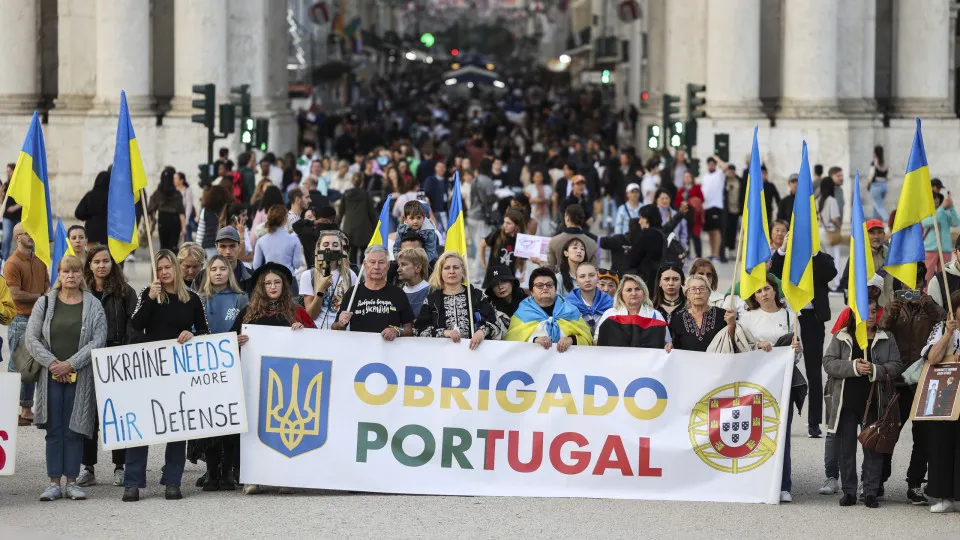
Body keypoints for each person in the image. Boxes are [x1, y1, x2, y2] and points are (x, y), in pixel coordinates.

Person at [123, 250, 210, 502]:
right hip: (151, 371)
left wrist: (192, 335)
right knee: (142, 427)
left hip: (179, 372)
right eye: (159, 268)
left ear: (176, 268)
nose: (164, 272)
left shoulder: (193, 299)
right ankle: (133, 481)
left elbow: (205, 331)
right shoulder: (147, 295)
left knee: (176, 428)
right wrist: (150, 298)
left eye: (167, 267)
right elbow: (136, 325)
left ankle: (173, 480)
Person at [26, 255, 107, 502]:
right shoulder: (45, 303)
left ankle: (72, 481)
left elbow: (98, 339)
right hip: (50, 376)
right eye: (65, 272)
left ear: (82, 275)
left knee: (75, 429)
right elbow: (32, 338)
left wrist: (70, 364)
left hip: (79, 377)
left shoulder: (93, 304)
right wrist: (53, 364)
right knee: (54, 428)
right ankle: (53, 482)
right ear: (58, 275)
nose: (70, 276)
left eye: (75, 272)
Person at [230, 262, 314, 495]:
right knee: (254, 429)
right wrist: (235, 341)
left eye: (277, 282)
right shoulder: (249, 311)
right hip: (255, 381)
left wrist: (303, 331)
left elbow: (318, 343)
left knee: (282, 428)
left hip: (286, 381)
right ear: (261, 286)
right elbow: (228, 340)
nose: (273, 286)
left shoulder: (296, 311)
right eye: (268, 283)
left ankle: (285, 475)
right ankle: (252, 476)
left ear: (284, 285)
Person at [823, 296, 902, 509]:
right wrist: (854, 367)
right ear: (855, 314)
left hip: (875, 402)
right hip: (846, 402)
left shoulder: (886, 337)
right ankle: (848, 491)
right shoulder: (842, 336)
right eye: (865, 312)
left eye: (873, 311)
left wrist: (875, 370)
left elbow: (896, 365)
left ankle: (870, 492)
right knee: (845, 449)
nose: (870, 317)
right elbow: (828, 363)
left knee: (873, 448)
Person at [878, 264, 943, 504]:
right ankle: (879, 479)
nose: (912, 289)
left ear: (923, 285)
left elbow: (947, 325)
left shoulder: (931, 307)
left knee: (923, 436)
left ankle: (915, 483)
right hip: (897, 380)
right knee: (889, 431)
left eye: (916, 284)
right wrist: (890, 313)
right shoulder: (892, 307)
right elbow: (881, 337)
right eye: (907, 284)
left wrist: (930, 306)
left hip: (924, 379)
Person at [737, 274, 802, 502]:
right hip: (755, 383)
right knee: (753, 431)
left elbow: (797, 355)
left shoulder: (789, 315)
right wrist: (757, 346)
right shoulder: (747, 317)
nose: (763, 294)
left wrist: (796, 349)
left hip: (782, 382)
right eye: (758, 291)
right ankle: (753, 480)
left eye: (767, 289)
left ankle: (783, 484)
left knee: (781, 432)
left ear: (775, 290)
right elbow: (741, 347)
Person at [77, 246, 137, 488]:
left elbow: (135, 320)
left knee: (117, 414)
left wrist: (125, 346)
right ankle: (88, 468)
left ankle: (119, 466)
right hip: (89, 357)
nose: (102, 265)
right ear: (89, 265)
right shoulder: (81, 292)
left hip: (115, 357)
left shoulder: (124, 291)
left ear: (113, 264)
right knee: (89, 416)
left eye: (106, 261)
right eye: (97, 261)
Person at [770, 246, 837, 438]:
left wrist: (814, 251)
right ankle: (777, 419)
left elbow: (830, 273)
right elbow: (773, 273)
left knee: (814, 372)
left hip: (811, 318)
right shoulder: (784, 257)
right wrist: (783, 249)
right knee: (780, 368)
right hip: (787, 316)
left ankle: (814, 422)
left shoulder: (820, 257)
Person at [5, 224, 50, 425]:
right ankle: (9, 410)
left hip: (39, 319)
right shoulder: (12, 263)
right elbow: (15, 295)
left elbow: (47, 284)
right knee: (17, 366)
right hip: (20, 320)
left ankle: (25, 409)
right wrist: (42, 297)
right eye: (26, 233)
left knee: (33, 366)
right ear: (16, 237)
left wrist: (46, 295)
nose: (31, 236)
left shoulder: (39, 259)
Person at [415, 252, 505, 348]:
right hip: (441, 356)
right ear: (440, 272)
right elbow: (418, 330)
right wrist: (444, 332)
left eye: (456, 267)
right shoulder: (431, 300)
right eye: (446, 268)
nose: (452, 271)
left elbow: (495, 322)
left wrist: (481, 331)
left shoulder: (477, 295)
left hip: (475, 354)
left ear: (463, 271)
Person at [922, 292, 960, 512]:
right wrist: (948, 334)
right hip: (944, 393)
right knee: (941, 443)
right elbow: (932, 358)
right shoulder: (940, 328)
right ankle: (942, 496)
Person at [333, 245, 415, 339]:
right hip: (357, 350)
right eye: (372, 262)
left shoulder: (398, 293)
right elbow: (335, 328)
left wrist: (397, 331)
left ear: (388, 265)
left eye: (381, 262)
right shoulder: (353, 292)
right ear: (364, 264)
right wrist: (340, 324)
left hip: (389, 350)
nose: (376, 267)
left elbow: (409, 329)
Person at [505, 268, 593, 351]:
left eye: (549, 285)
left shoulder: (570, 310)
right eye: (539, 286)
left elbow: (587, 338)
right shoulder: (522, 313)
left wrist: (572, 339)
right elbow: (511, 342)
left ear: (555, 289)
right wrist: (534, 340)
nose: (545, 288)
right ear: (531, 291)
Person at [299, 231, 357, 329]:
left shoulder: (351, 275)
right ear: (319, 248)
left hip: (344, 333)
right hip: (317, 332)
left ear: (341, 249)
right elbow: (311, 315)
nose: (330, 248)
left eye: (335, 245)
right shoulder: (308, 275)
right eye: (326, 244)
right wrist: (321, 290)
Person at [594, 274, 669, 349]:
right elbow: (596, 341)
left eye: (637, 289)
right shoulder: (610, 314)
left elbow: (667, 342)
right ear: (621, 294)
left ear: (644, 292)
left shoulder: (655, 315)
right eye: (629, 290)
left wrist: (668, 346)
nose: (633, 293)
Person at [666, 275, 735, 353]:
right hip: (687, 364)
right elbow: (674, 344)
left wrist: (731, 325)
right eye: (693, 289)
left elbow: (732, 343)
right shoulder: (678, 319)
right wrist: (670, 346)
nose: (698, 292)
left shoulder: (723, 315)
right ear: (687, 294)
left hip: (716, 364)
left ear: (709, 293)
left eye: (702, 288)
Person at [191, 226, 255, 294]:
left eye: (232, 246)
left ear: (239, 246)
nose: (228, 251)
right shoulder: (202, 277)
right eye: (223, 246)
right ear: (217, 247)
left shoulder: (251, 277)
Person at [624, 204, 666, 293]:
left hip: (648, 281)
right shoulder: (662, 232)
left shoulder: (647, 234)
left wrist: (630, 252)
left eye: (641, 218)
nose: (639, 222)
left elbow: (633, 259)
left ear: (646, 219)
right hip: (661, 278)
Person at [338, 172, 377, 266]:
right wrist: (376, 227)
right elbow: (371, 213)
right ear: (362, 182)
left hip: (349, 228)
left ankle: (354, 274)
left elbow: (340, 212)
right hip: (364, 229)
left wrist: (336, 226)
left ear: (352, 181)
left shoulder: (346, 194)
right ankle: (363, 275)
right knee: (365, 254)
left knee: (352, 254)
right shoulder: (366, 194)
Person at [480, 208, 526, 285]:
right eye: (504, 222)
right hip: (494, 275)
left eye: (508, 223)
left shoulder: (521, 240)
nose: (505, 225)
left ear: (517, 225)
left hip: (509, 277)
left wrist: (522, 272)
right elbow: (482, 245)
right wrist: (484, 265)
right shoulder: (497, 234)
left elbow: (523, 259)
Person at [922, 191, 960, 283]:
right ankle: (924, 294)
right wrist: (942, 207)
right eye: (934, 198)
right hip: (931, 248)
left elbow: (956, 222)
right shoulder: (925, 212)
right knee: (927, 274)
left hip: (945, 249)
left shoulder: (944, 212)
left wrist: (951, 207)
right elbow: (932, 221)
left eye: (937, 198)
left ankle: (943, 294)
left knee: (944, 276)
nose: (936, 200)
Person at [565, 262, 614, 334]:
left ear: (598, 278)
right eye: (582, 276)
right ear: (576, 282)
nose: (587, 280)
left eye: (591, 275)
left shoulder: (609, 303)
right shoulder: (568, 304)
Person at [252, 204, 303, 273]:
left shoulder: (261, 240)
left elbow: (256, 266)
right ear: (285, 219)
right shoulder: (294, 239)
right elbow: (297, 264)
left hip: (270, 278)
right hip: (289, 278)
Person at [546, 204, 598, 269]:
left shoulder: (554, 241)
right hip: (585, 278)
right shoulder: (592, 243)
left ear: (567, 218)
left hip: (561, 278)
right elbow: (595, 269)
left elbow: (550, 268)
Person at [148, 167, 187, 251]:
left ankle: (164, 262)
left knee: (164, 246)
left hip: (162, 220)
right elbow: (181, 212)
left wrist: (151, 224)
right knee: (173, 246)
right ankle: (172, 262)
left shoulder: (158, 192)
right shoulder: (176, 194)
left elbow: (153, 209)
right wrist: (183, 227)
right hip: (174, 221)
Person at [701, 156, 728, 262]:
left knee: (716, 231)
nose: (711, 165)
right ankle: (712, 253)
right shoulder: (705, 176)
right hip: (706, 207)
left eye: (713, 164)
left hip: (716, 206)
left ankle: (716, 255)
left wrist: (717, 159)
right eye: (710, 164)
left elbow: (725, 166)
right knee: (710, 232)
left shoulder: (719, 174)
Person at [818, 177, 843, 290]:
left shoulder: (818, 200)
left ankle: (825, 283)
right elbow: (834, 219)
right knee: (834, 257)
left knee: (823, 259)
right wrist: (839, 227)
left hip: (820, 231)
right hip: (830, 232)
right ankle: (836, 283)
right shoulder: (832, 200)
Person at [196, 183, 233, 259]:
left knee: (213, 268)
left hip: (209, 244)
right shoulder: (228, 209)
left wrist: (198, 249)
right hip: (226, 244)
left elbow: (201, 231)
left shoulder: (205, 210)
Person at [73, 170, 109, 247]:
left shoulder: (90, 195)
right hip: (108, 234)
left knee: (91, 256)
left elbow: (78, 213)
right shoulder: (112, 197)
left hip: (91, 232)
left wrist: (90, 216)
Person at [396, 247, 431, 317]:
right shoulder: (397, 293)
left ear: (418, 268)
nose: (398, 270)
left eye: (403, 264)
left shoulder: (431, 292)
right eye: (399, 265)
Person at [868, 145, 889, 222]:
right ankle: (875, 222)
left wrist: (868, 185)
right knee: (876, 205)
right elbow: (888, 176)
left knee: (878, 206)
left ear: (875, 153)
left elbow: (870, 176)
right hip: (884, 185)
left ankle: (887, 219)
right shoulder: (885, 163)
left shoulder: (874, 163)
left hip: (876, 185)